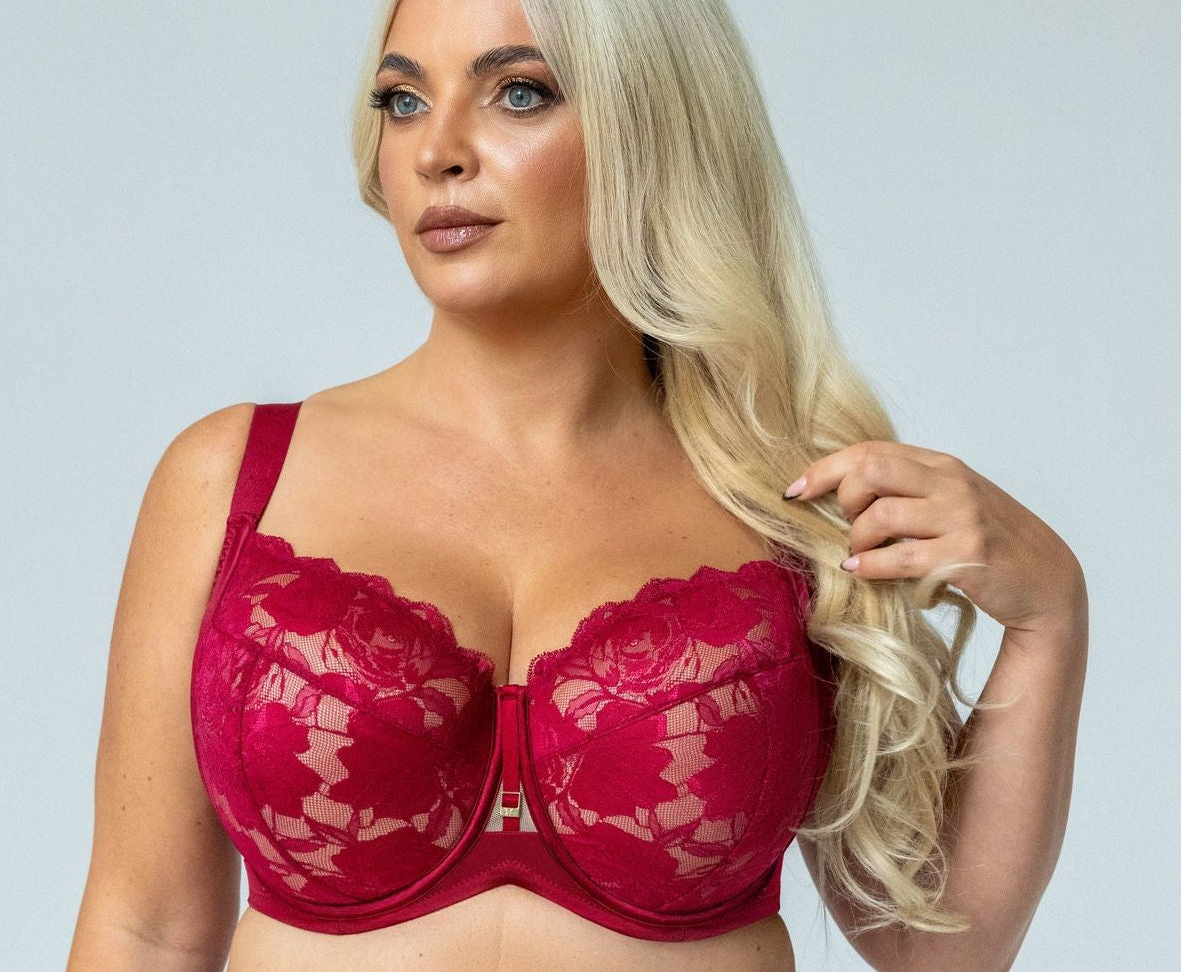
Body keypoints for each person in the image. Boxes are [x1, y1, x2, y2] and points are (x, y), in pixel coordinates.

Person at [66, 0, 1089, 970]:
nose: (435, 150)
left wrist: (1048, 612)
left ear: (651, 125)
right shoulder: (235, 479)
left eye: (519, 92)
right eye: (403, 100)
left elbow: (937, 946)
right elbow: (145, 932)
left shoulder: (787, 501)